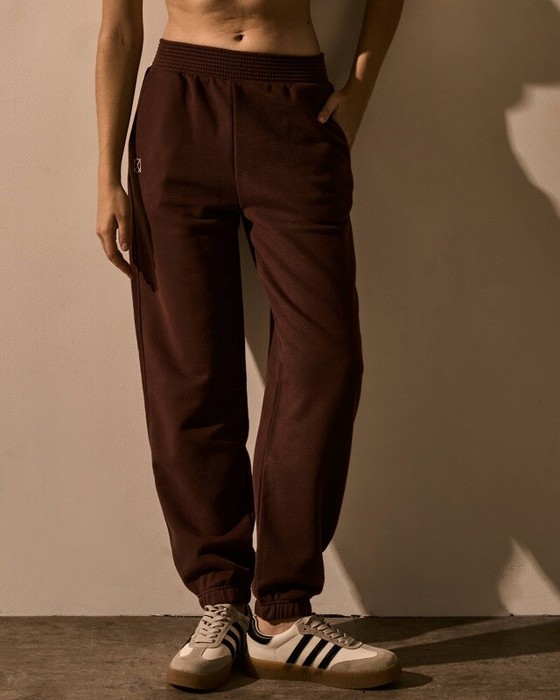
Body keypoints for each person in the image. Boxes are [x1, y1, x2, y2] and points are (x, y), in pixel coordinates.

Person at [95, 0, 405, 691]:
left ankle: (283, 615)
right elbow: (118, 28)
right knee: (188, 370)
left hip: (295, 106)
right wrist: (106, 175)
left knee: (325, 360)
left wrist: (358, 90)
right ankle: (220, 602)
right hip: (178, 111)